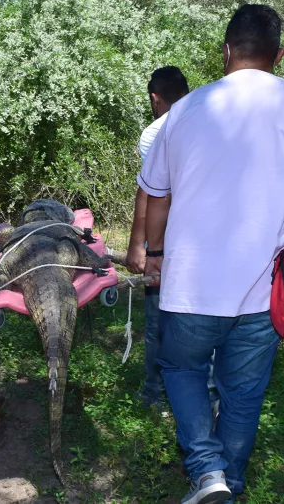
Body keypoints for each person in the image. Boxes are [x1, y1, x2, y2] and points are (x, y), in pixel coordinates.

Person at [139, 5, 284, 504]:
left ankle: (206, 471)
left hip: (191, 282)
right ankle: (229, 484)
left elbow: (157, 194)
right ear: (279, 54)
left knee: (181, 369)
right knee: (242, 392)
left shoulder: (185, 109)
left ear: (225, 50)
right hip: (270, 288)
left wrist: (153, 253)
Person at [127, 66, 188, 409]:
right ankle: (208, 393)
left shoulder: (154, 133)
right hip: (209, 240)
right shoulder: (210, 120)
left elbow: (152, 194)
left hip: (166, 238)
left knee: (158, 318)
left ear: (155, 97)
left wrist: (145, 246)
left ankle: (155, 392)